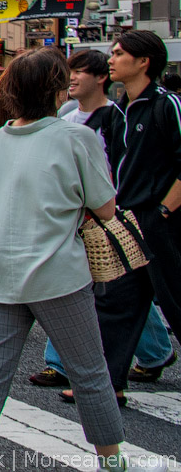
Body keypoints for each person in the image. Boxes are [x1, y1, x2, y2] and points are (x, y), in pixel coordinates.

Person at [0, 48, 150, 472]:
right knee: (89, 372)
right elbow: (106, 206)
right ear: (56, 91)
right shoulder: (77, 138)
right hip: (57, 273)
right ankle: (112, 461)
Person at [87, 29, 181, 405]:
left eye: (120, 52)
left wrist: (163, 210)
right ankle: (110, 385)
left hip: (161, 220)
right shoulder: (118, 110)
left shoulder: (165, 104)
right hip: (127, 220)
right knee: (117, 301)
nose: (111, 58)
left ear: (144, 62)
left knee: (175, 300)